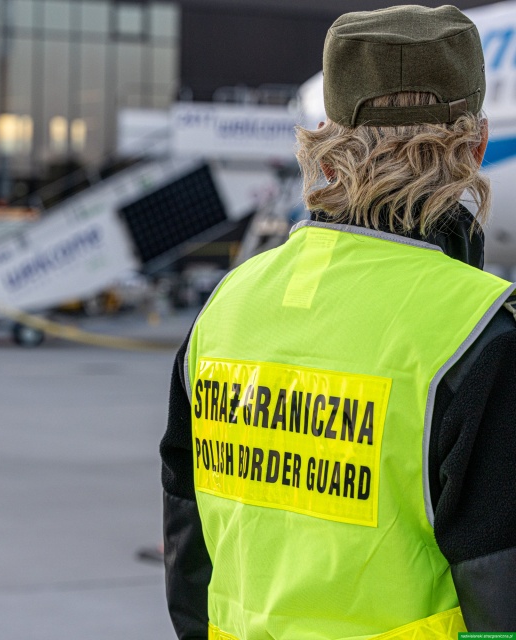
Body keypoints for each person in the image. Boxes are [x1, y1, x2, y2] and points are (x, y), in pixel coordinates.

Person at [161, 6, 516, 637]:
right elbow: (501, 596)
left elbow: (190, 560)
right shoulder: (478, 337)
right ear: (476, 147)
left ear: (326, 144)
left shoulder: (226, 308)